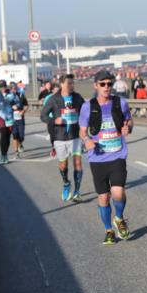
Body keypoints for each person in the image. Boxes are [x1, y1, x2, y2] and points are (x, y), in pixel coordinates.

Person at [80, 70, 133, 245]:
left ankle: (119, 218)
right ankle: (109, 230)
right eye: (102, 84)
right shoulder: (88, 106)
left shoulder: (120, 102)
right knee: (103, 197)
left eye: (109, 84)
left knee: (118, 192)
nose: (106, 87)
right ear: (96, 86)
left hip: (117, 155)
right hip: (97, 158)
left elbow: (128, 120)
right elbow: (82, 130)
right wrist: (87, 140)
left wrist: (128, 128)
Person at [41, 74, 86, 202]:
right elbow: (43, 116)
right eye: (69, 83)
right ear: (61, 84)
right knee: (63, 165)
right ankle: (66, 183)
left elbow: (86, 112)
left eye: (73, 83)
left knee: (77, 162)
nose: (72, 86)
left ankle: (77, 192)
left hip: (75, 136)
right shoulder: (53, 99)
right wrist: (55, 120)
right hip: (60, 137)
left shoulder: (77, 97)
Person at [0, 80, 17, 165]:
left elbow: (18, 103)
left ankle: (5, 155)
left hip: (9, 117)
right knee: (3, 134)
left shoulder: (11, 94)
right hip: (0, 117)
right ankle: (3, 155)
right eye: (1, 87)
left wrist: (15, 106)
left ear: (6, 87)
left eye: (4, 87)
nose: (3, 89)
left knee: (8, 136)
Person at [9, 84, 29, 158]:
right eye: (12, 88)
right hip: (12, 119)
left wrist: (23, 111)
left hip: (20, 118)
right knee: (15, 136)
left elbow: (26, 105)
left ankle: (20, 144)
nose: (13, 90)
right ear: (10, 89)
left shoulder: (21, 95)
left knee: (21, 136)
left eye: (15, 88)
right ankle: (16, 153)